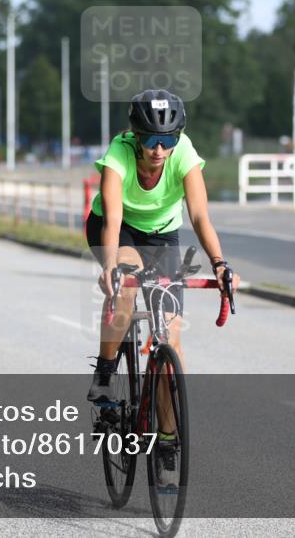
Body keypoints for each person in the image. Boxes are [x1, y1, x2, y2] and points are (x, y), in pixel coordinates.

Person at [85, 89, 240, 485]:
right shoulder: (118, 154)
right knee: (125, 284)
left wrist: (220, 265)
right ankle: (105, 375)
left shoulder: (184, 153)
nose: (159, 149)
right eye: (152, 140)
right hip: (116, 230)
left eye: (168, 140)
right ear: (135, 136)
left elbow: (200, 213)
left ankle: (168, 433)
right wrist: (109, 265)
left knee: (170, 333)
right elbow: (114, 214)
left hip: (162, 235)